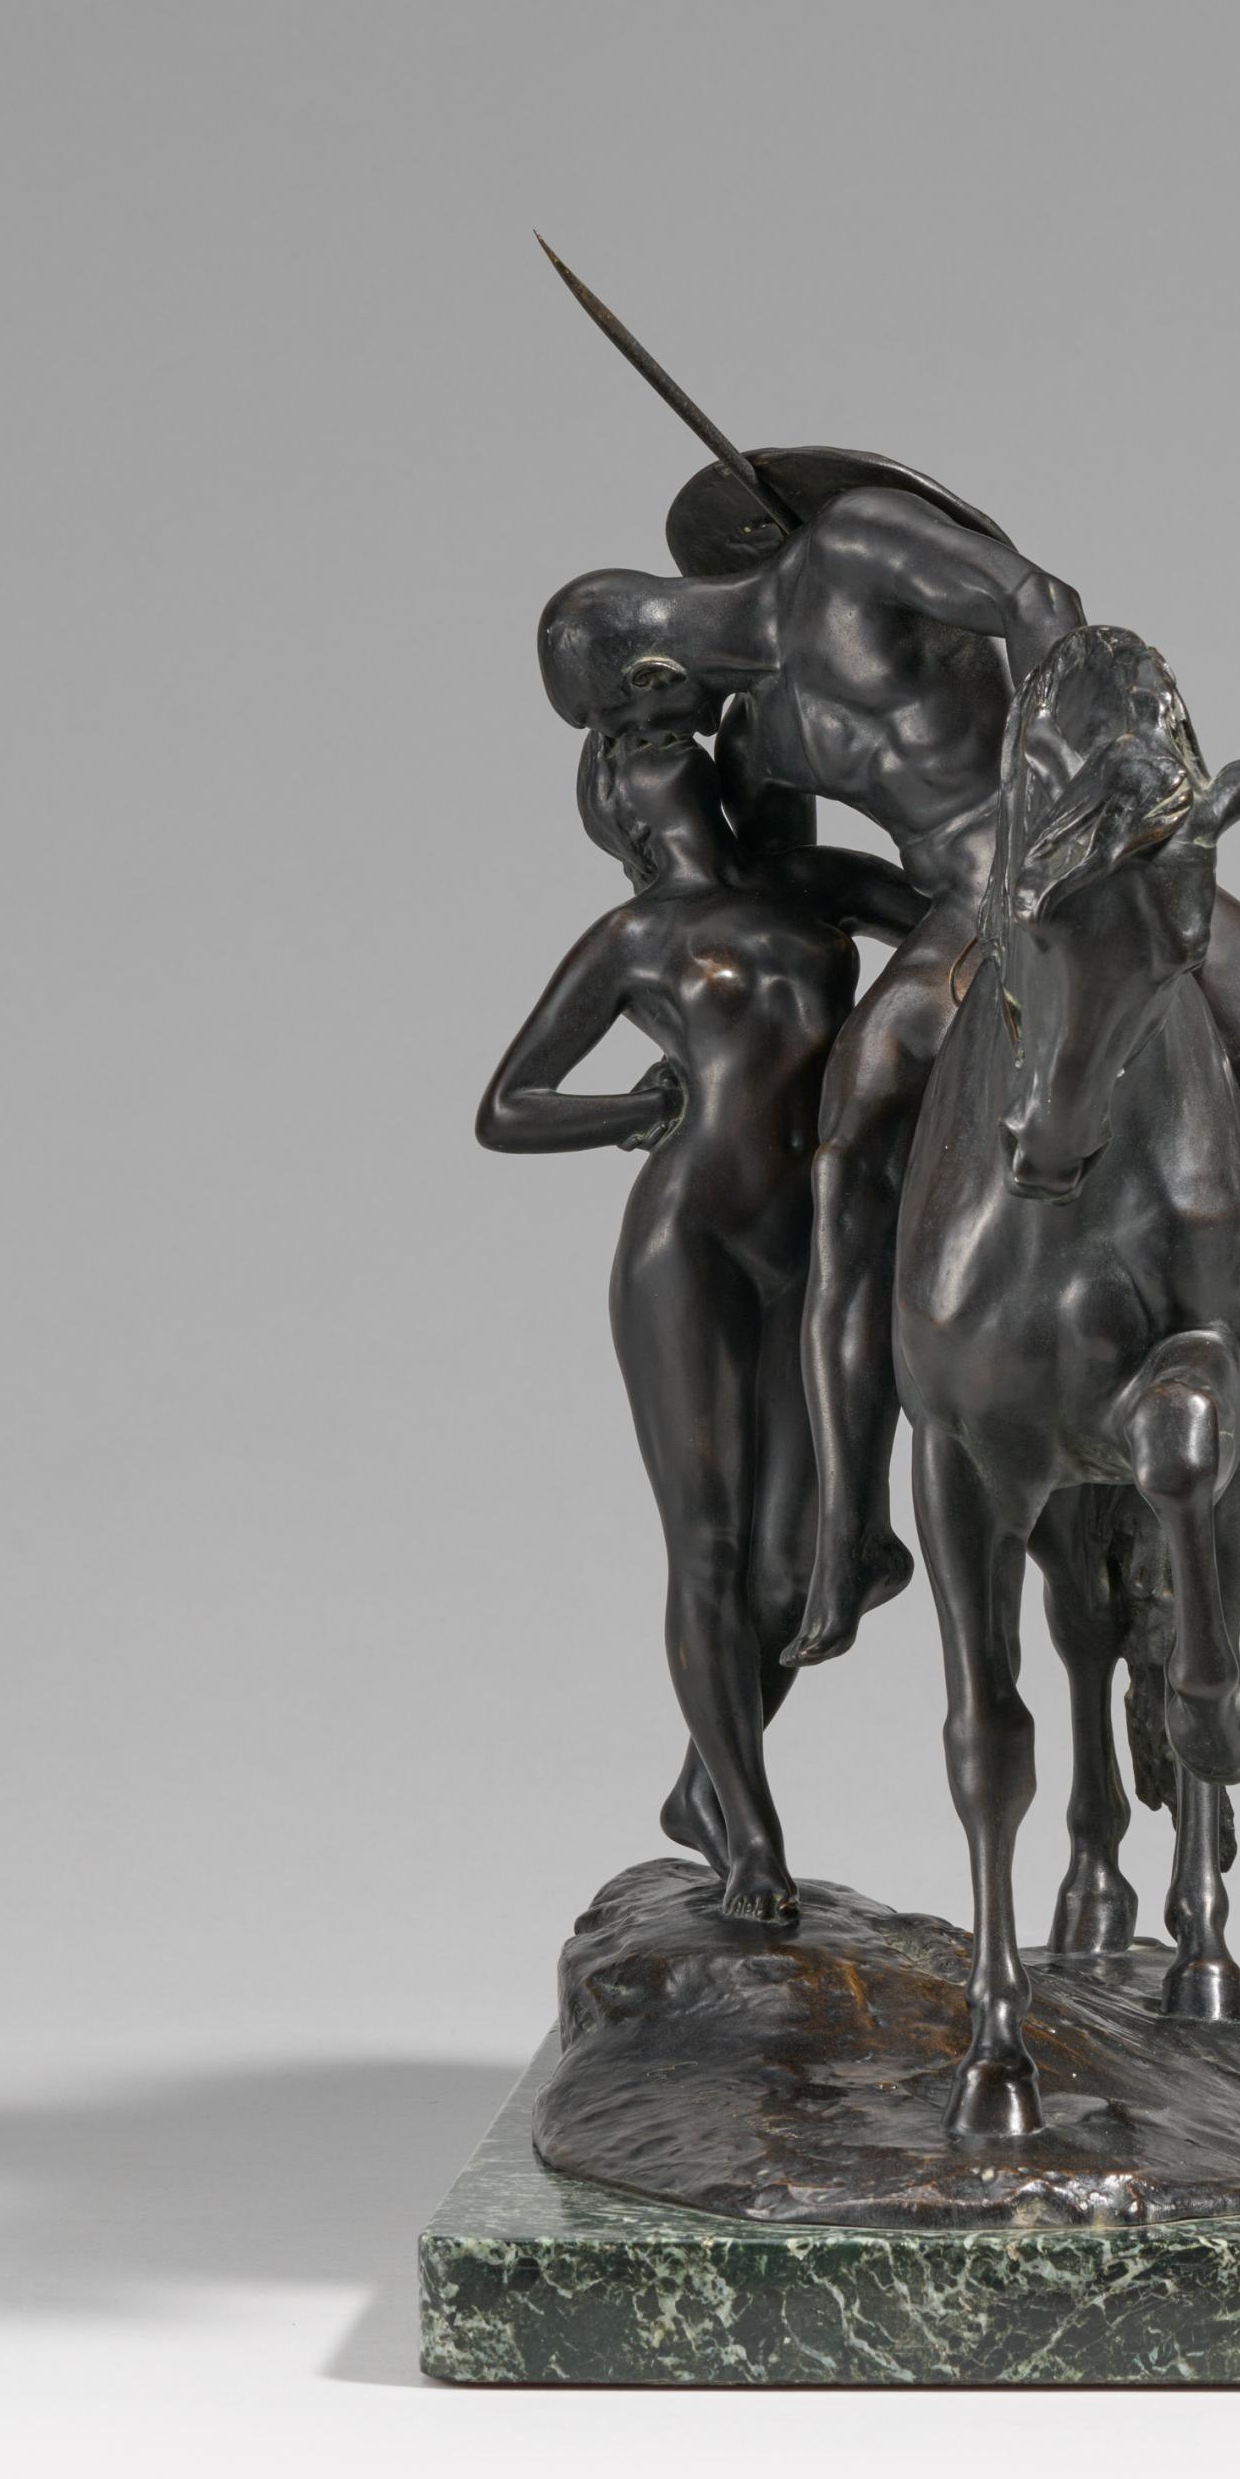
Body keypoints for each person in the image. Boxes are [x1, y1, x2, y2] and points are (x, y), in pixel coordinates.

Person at [537, 456, 1240, 1671]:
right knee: (849, 1146)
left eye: (624, 723)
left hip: (1088, 874)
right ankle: (854, 1525)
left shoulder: (855, 549)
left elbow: (1040, 599)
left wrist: (1065, 841)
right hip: (958, 923)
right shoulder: (760, 736)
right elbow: (784, 886)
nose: (638, 744)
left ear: (646, 672)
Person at [475, 724, 921, 1923]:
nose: (649, 739)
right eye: (624, 744)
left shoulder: (809, 884)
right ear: (617, 808)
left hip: (819, 1242)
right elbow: (505, 1107)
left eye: (662, 729)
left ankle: (699, 1787)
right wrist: (632, 1112)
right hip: (690, 1241)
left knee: (799, 1559)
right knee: (710, 1548)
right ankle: (753, 1840)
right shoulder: (632, 938)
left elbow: (958, 930)